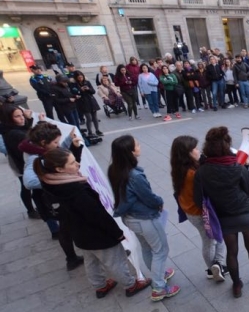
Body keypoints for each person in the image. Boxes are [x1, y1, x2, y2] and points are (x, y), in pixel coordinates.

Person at [34, 148, 152, 298]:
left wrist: (76, 148)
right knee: (115, 261)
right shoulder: (76, 190)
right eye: (72, 162)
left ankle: (100, 286)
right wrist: (117, 233)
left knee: (91, 261)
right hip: (98, 235)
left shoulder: (50, 183)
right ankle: (130, 285)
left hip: (79, 234)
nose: (77, 164)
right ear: (59, 169)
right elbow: (98, 215)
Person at [193, 127, 249, 298]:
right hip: (246, 214)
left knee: (231, 252)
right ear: (227, 146)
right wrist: (246, 170)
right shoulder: (237, 167)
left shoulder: (202, 171)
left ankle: (237, 286)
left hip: (224, 218)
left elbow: (199, 200)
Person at [109, 135, 179, 301]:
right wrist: (159, 202)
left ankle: (159, 275)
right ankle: (159, 288)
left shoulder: (115, 169)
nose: (140, 146)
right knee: (160, 250)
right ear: (130, 151)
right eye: (137, 145)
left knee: (148, 249)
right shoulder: (134, 175)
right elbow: (148, 197)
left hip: (131, 218)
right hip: (145, 218)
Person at [20, 121, 85, 269]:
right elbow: (29, 182)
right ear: (43, 143)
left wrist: (69, 141)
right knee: (67, 228)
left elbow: (59, 151)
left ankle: (72, 258)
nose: (58, 144)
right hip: (54, 200)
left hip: (56, 199)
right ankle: (73, 257)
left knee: (66, 228)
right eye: (55, 142)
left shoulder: (42, 150)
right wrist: (57, 179)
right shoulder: (34, 157)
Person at [169, 135, 228, 281]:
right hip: (200, 212)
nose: (198, 150)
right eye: (194, 148)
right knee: (212, 239)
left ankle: (216, 266)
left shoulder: (180, 168)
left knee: (210, 238)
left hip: (190, 211)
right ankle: (214, 267)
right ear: (187, 153)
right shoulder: (193, 174)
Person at [0, 106, 41, 219]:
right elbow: (27, 137)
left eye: (22, 115)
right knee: (26, 186)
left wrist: (31, 120)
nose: (22, 118)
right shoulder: (12, 133)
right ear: (9, 118)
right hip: (21, 163)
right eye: (17, 116)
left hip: (24, 161)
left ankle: (34, 208)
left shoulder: (12, 128)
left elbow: (25, 131)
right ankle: (31, 210)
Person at [71, 71, 102, 138]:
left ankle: (97, 130)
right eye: (79, 77)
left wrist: (88, 89)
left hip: (91, 101)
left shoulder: (87, 82)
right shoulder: (74, 84)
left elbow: (93, 91)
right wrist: (80, 90)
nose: (80, 78)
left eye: (81, 77)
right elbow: (74, 93)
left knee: (95, 117)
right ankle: (90, 132)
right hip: (83, 102)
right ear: (76, 78)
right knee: (89, 118)